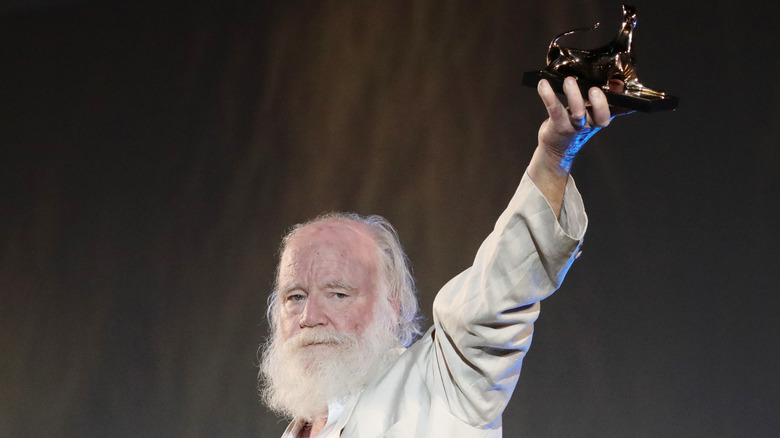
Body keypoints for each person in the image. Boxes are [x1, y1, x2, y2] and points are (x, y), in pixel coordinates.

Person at [259, 77, 623, 437]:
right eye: (295, 297)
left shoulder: (444, 382)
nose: (309, 317)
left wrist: (554, 158)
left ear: (395, 306)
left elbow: (494, 297)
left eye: (337, 294)